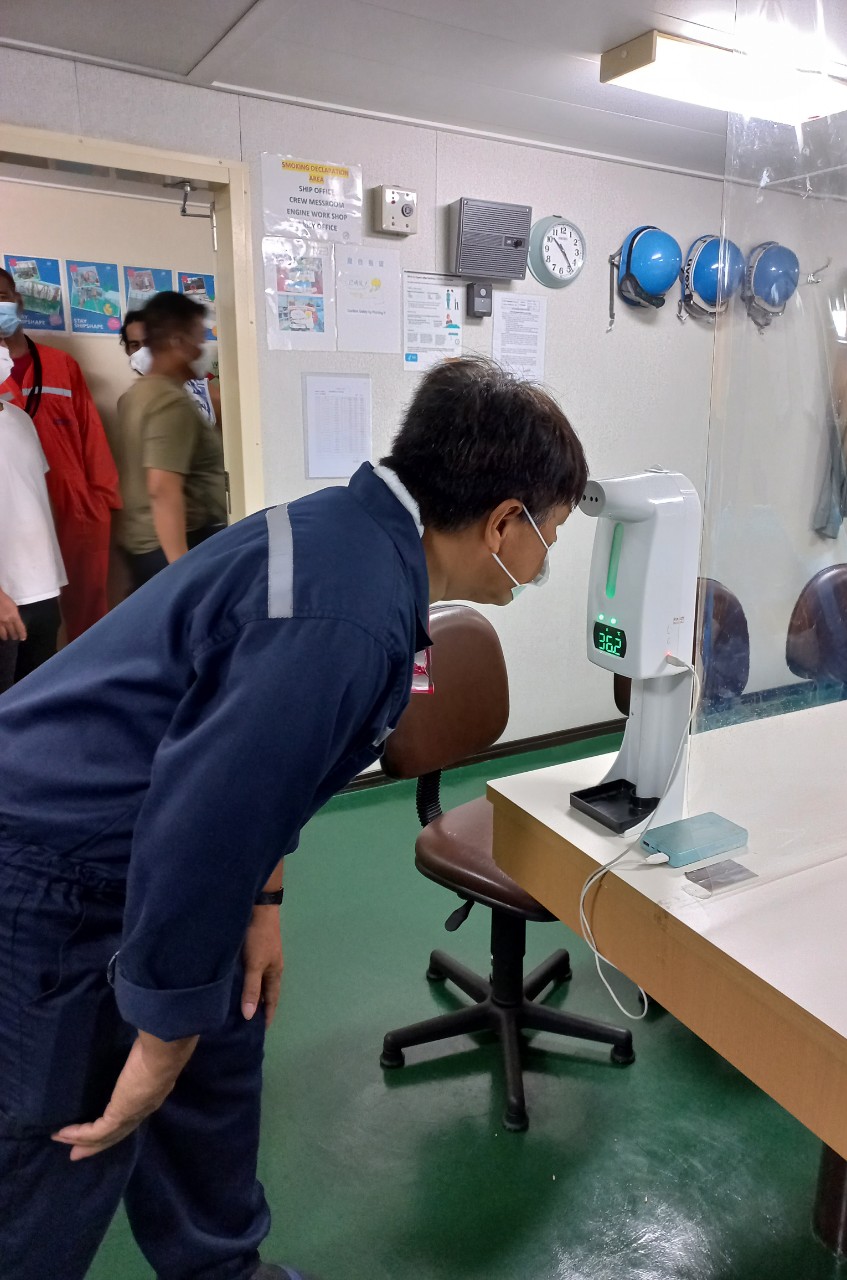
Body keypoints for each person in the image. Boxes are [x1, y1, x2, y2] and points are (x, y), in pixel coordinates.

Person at [0, 357, 586, 1280]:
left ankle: (222, 1267)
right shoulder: (345, 613)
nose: (543, 561)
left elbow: (260, 781)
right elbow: (200, 831)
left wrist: (263, 905)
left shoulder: (352, 537)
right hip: (56, 862)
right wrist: (159, 1039)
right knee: (77, 1134)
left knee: (217, 1052)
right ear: (504, 521)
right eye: (549, 535)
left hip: (162, 842)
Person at [0, 271, 121, 640]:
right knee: (24, 619)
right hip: (14, 518)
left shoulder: (60, 365)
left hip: (75, 509)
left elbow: (91, 436)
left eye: (1, 296)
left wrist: (103, 502)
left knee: (87, 615)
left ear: (18, 301)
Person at [113, 291, 227, 589]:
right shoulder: (169, 402)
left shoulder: (139, 394)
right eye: (198, 338)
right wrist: (181, 570)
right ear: (178, 341)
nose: (201, 349)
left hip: (147, 544)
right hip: (172, 547)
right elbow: (162, 489)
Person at [0, 339, 67, 693]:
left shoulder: (20, 420)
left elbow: (33, 498)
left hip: (42, 592)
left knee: (36, 700)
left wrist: (50, 580)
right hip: (4, 600)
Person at [123, 304, 221, 429]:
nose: (143, 351)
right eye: (135, 345)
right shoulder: (128, 403)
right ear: (128, 350)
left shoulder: (207, 395)